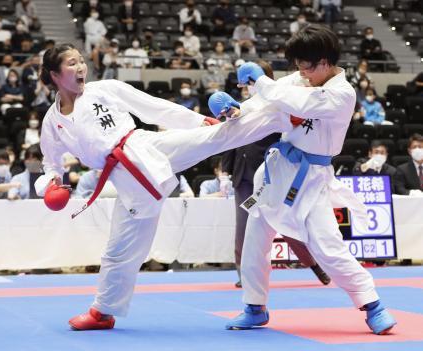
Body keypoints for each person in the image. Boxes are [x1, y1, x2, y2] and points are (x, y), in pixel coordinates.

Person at [35, 43, 291, 331]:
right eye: (72, 63)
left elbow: (153, 108)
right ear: (55, 75)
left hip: (145, 148)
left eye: (81, 61)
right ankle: (102, 312)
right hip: (126, 181)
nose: (81, 67)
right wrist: (52, 183)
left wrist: (198, 121)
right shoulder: (52, 122)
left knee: (214, 136)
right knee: (118, 251)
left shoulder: (104, 89)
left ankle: (276, 113)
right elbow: (51, 162)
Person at [221, 25, 396, 335]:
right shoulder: (302, 76)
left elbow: (298, 102)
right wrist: (237, 109)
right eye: (298, 67)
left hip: (311, 179)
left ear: (325, 62)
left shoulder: (342, 93)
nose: (302, 73)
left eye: (307, 67)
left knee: (328, 247)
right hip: (276, 173)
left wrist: (260, 79)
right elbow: (269, 101)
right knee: (255, 240)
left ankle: (372, 305)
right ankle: (254, 306)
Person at [219, 59, 331, 288]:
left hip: (271, 173)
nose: (248, 86)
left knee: (287, 224)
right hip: (243, 175)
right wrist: (225, 170)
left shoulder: (279, 103)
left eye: (252, 81)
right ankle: (243, 274)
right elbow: (229, 137)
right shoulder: (242, 106)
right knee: (243, 229)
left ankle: (314, 264)